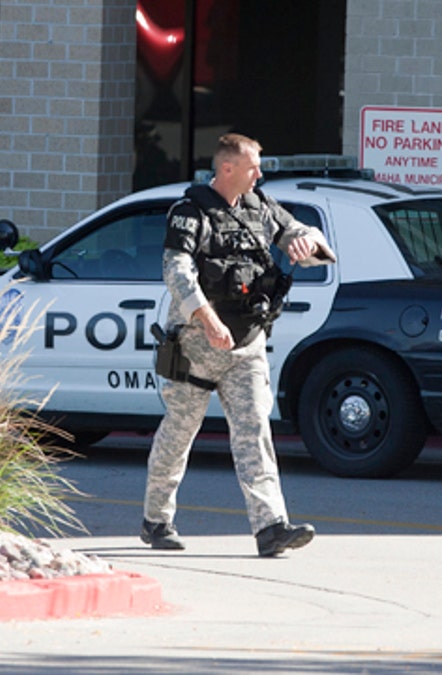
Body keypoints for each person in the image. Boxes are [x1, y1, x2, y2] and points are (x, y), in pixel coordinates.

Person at [141, 133, 336, 557]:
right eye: (253, 168)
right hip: (196, 346)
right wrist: (207, 319)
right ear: (227, 168)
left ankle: (270, 528)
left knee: (255, 433)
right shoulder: (189, 212)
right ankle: (156, 520)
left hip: (246, 345)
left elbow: (315, 245)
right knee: (179, 434)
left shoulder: (259, 207)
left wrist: (307, 241)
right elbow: (176, 272)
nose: (260, 175)